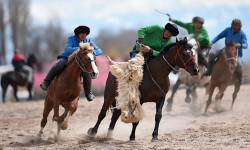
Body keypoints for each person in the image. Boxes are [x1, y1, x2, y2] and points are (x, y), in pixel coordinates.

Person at [40, 25, 103, 101]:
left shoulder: (89, 40)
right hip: (67, 58)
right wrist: (80, 49)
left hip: (81, 62)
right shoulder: (71, 39)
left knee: (87, 74)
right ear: (78, 34)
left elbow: (100, 51)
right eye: (81, 33)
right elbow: (67, 49)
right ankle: (46, 82)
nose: (83, 35)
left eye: (85, 34)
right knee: (59, 64)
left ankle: (88, 93)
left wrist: (92, 51)